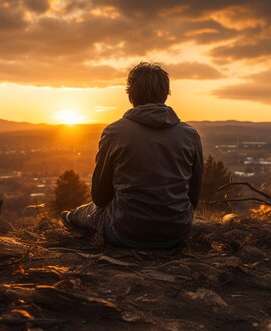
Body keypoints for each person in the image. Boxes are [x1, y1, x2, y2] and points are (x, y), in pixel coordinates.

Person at [62, 62, 203, 249]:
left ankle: (67, 217)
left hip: (125, 232)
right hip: (176, 232)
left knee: (82, 213)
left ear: (131, 94)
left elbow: (100, 197)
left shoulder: (115, 132)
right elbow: (194, 195)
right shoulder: (190, 135)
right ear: (166, 94)